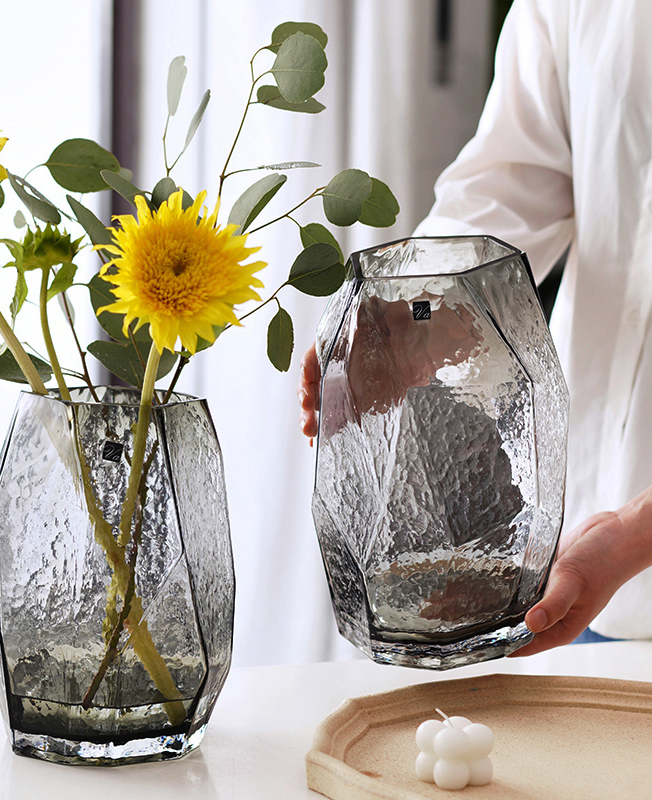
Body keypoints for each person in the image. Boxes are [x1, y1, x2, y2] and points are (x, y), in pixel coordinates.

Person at [298, 0, 652, 656]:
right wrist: (415, 317)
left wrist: (637, 533)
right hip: (585, 580)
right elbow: (514, 183)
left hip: (611, 556)